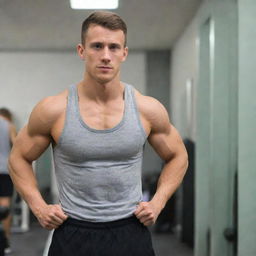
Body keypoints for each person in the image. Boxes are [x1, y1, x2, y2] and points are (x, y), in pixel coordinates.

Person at [8, 11, 188, 256]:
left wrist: (158, 202)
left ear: (124, 53)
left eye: (114, 47)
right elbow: (18, 157)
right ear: (82, 51)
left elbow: (179, 156)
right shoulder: (54, 109)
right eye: (97, 46)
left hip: (130, 230)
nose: (105, 56)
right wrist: (39, 207)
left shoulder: (147, 109)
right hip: (73, 231)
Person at [0, 108, 16, 254]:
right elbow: (17, 148)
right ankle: (5, 242)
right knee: (4, 205)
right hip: (4, 169)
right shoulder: (9, 126)